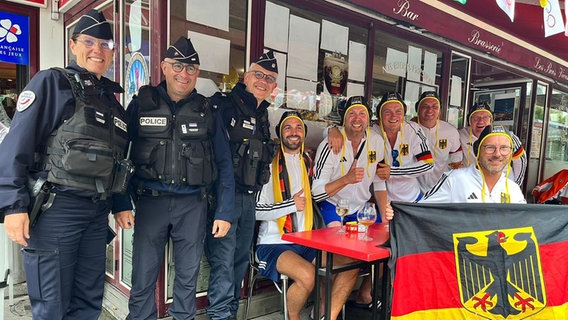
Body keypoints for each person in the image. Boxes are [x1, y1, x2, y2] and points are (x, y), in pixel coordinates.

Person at [0, 9, 130, 319]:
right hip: (57, 210)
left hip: (97, 211)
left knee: (88, 300)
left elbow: (118, 160)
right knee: (52, 304)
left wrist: (121, 202)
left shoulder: (112, 102)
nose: (97, 50)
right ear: (73, 45)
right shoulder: (51, 83)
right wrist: (13, 207)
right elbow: (16, 146)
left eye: (105, 45)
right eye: (89, 41)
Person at [114, 37, 235, 320]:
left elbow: (224, 163)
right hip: (149, 202)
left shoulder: (207, 110)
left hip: (192, 204)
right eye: (178, 66)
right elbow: (120, 154)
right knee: (142, 274)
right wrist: (120, 200)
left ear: (198, 73)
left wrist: (225, 211)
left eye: (191, 68)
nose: (184, 74)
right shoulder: (142, 104)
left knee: (187, 276)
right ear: (164, 67)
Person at [205, 51, 279, 320]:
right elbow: (219, 160)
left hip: (249, 201)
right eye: (258, 74)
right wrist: (222, 208)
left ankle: (230, 315)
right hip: (224, 199)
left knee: (237, 266)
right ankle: (220, 316)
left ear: (274, 87)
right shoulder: (224, 106)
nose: (262, 80)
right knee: (223, 265)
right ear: (246, 77)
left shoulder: (263, 115)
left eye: (269, 78)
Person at [311, 96, 388, 320]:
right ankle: (325, 307)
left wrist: (385, 219)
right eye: (352, 114)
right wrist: (345, 179)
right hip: (333, 208)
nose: (357, 118)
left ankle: (365, 293)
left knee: (387, 247)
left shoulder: (376, 141)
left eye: (362, 113)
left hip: (361, 211)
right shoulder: (331, 142)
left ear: (368, 118)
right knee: (337, 255)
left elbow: (380, 182)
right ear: (344, 119)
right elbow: (317, 192)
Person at [255, 111, 316, 320]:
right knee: (308, 274)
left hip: (306, 239)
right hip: (273, 243)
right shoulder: (267, 164)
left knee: (342, 265)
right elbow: (255, 211)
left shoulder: (307, 161)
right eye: (287, 127)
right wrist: (291, 205)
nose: (293, 132)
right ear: (280, 133)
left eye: (298, 127)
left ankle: (326, 313)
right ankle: (294, 317)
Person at [423, 125, 526, 203]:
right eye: (490, 147)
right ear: (477, 150)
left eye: (504, 148)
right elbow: (420, 211)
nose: (497, 154)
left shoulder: (514, 190)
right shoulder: (454, 180)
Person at [374, 92, 434, 202]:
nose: (393, 116)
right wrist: (333, 130)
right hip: (382, 202)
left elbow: (429, 164)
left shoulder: (413, 130)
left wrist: (393, 172)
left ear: (404, 114)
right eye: (388, 112)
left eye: (398, 111)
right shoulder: (372, 131)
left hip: (412, 199)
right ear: (380, 114)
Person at [459, 102, 527, 186]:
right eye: (476, 118)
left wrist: (515, 184)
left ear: (491, 120)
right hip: (473, 184)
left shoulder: (508, 136)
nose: (481, 121)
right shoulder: (460, 135)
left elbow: (520, 160)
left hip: (502, 185)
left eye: (485, 117)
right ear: (470, 121)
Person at [412, 91, 463, 193]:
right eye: (425, 106)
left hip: (441, 189)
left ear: (440, 110)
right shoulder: (408, 129)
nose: (430, 110)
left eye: (435, 106)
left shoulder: (450, 131)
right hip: (413, 190)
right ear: (418, 109)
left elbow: (457, 161)